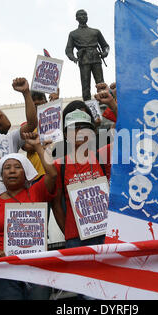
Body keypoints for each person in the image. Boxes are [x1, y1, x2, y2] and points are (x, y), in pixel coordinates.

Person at [0, 132, 57, 300]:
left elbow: (52, 174)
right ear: (1, 176)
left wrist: (38, 146)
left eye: (17, 167)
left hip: (36, 267)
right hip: (5, 269)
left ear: (25, 172)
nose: (12, 171)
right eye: (7, 168)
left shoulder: (36, 192)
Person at [51, 101, 112, 249]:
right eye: (73, 128)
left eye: (84, 128)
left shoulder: (103, 157)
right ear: (65, 134)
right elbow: (56, 204)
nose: (79, 132)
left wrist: (112, 103)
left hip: (106, 232)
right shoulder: (59, 165)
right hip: (76, 239)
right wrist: (68, 232)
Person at [65, 9, 110, 101]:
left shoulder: (95, 31)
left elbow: (105, 46)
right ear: (76, 18)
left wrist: (105, 53)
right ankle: (88, 104)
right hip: (84, 59)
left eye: (85, 15)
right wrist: (74, 58)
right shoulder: (73, 34)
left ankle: (104, 101)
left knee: (100, 83)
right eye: (81, 15)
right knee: (85, 85)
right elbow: (68, 50)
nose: (83, 17)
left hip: (96, 58)